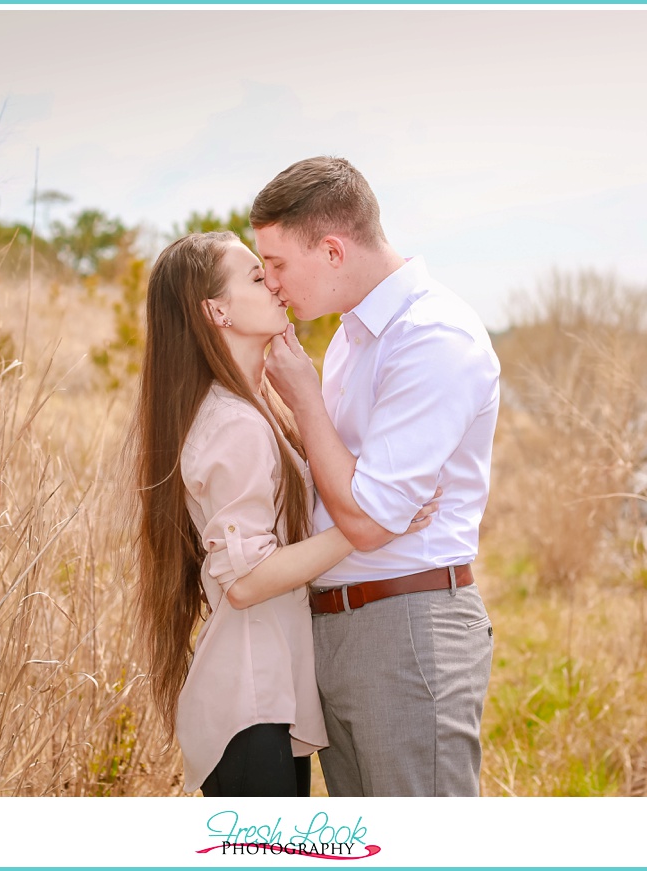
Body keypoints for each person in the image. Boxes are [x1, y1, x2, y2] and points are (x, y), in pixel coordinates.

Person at [131, 231, 436, 797]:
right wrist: (372, 522)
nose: (273, 282)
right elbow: (245, 581)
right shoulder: (233, 424)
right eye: (254, 276)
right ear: (215, 310)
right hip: (247, 706)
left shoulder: (251, 411)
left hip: (265, 699)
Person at [251, 156, 501, 797]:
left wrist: (304, 396)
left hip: (407, 631)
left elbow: (366, 519)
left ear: (332, 250)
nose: (271, 284)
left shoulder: (433, 338)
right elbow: (336, 476)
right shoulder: (353, 338)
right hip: (339, 630)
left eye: (277, 264)